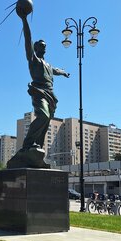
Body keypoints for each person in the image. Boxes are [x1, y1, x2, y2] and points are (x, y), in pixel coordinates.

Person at [18, 12, 70, 151]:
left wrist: (63, 72)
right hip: (39, 92)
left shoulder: (47, 64)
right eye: (42, 45)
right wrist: (24, 20)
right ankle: (28, 143)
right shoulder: (33, 60)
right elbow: (28, 39)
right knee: (43, 116)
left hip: (50, 94)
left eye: (45, 45)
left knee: (46, 120)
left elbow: (55, 70)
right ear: (36, 48)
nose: (45, 47)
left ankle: (38, 145)